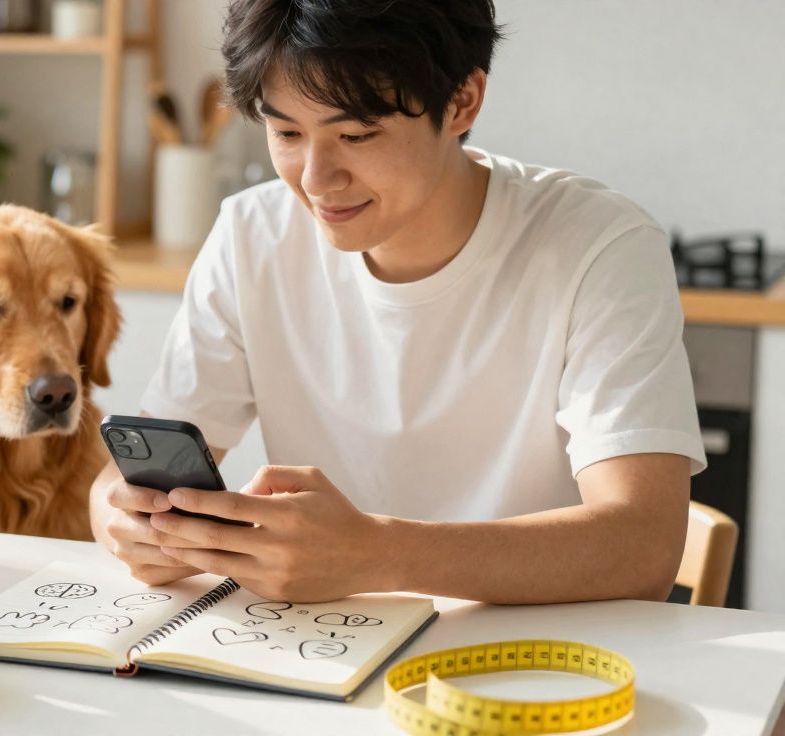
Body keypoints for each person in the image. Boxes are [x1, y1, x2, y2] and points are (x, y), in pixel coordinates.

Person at [88, 0, 705, 605]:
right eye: (287, 133)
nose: (315, 179)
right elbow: (123, 482)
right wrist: (128, 525)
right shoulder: (252, 234)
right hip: (327, 659)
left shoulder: (599, 245)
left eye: (356, 134)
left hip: (536, 667)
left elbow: (643, 547)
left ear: (464, 100)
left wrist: (376, 555)